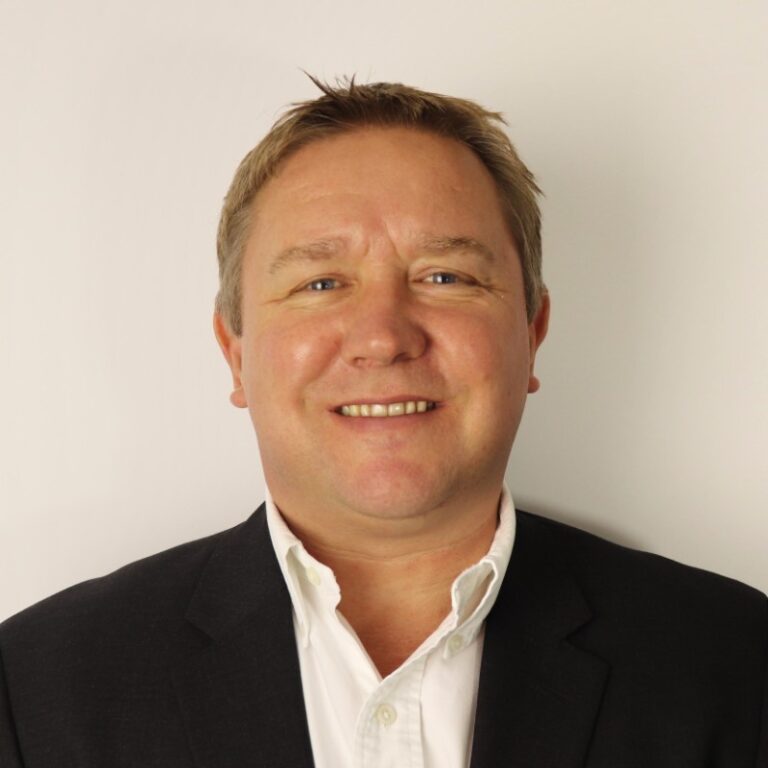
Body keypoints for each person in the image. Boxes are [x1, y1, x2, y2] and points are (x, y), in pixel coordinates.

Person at [0, 78, 765, 768]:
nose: (383, 336)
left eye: (445, 276)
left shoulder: (737, 662)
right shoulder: (36, 689)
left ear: (531, 332)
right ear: (236, 353)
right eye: (321, 281)